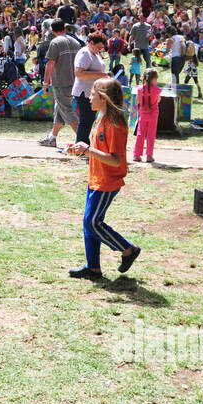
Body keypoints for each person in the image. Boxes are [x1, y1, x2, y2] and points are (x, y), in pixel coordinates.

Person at [66, 78, 141, 280]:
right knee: (88, 222)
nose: (89, 97)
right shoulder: (100, 117)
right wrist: (80, 149)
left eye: (92, 94)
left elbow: (116, 161)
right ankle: (93, 269)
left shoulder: (115, 124)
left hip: (107, 181)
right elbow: (99, 149)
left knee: (92, 222)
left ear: (104, 98)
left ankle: (128, 249)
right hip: (96, 178)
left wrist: (88, 150)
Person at [37, 20, 80, 148]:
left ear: (52, 30)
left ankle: (83, 140)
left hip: (61, 82)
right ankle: (52, 137)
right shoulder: (75, 42)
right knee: (59, 109)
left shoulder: (55, 42)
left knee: (66, 110)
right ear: (64, 28)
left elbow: (50, 64)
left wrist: (45, 82)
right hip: (75, 82)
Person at [70, 32, 110, 147]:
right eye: (98, 47)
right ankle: (81, 146)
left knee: (89, 120)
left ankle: (84, 145)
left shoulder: (94, 53)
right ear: (91, 43)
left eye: (101, 48)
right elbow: (79, 73)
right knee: (86, 120)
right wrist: (100, 75)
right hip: (84, 92)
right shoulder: (84, 53)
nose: (100, 50)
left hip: (91, 93)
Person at [132, 67, 161, 163]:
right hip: (153, 114)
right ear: (153, 79)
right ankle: (149, 156)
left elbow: (137, 100)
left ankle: (136, 155)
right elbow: (158, 100)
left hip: (143, 114)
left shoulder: (139, 88)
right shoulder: (157, 90)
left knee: (140, 134)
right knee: (151, 134)